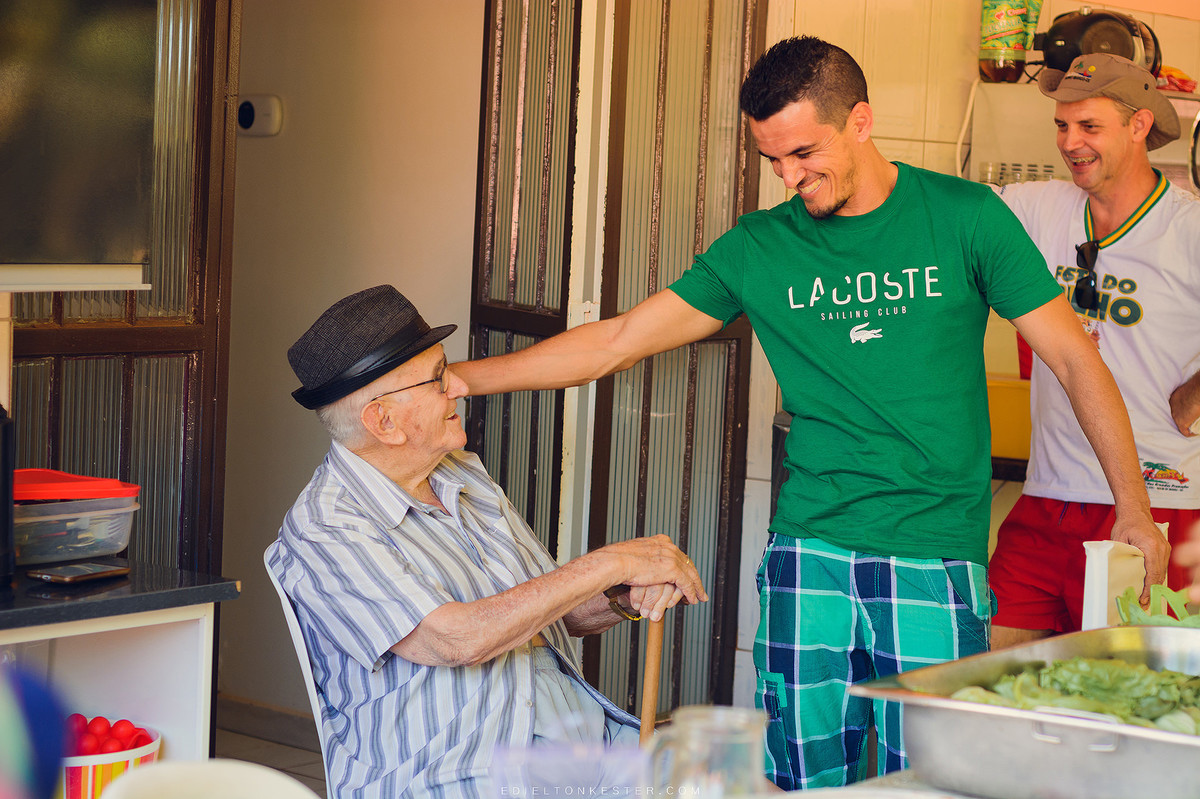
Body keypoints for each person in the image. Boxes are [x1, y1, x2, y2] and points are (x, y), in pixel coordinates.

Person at [450, 36, 1167, 790]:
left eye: (803, 153)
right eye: (774, 161)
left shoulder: (966, 216)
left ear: (859, 121)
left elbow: (1075, 359)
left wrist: (1133, 505)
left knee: (935, 779)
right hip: (809, 550)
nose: (790, 178)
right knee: (801, 775)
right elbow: (619, 341)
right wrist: (460, 379)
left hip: (934, 553)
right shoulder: (761, 247)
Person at [266, 285, 706, 799]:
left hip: (585, 749)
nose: (458, 386)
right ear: (383, 422)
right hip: (466, 777)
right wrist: (609, 563)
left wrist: (622, 596)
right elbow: (456, 641)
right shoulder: (326, 527)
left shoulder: (462, 475)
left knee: (743, 787)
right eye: (438, 378)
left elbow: (550, 612)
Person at [988, 53, 1197, 649]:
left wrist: (1189, 398)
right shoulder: (1037, 208)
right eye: (1062, 126)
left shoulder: (1188, 229)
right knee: (995, 682)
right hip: (1046, 498)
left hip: (1159, 504)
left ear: (1138, 126)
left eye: (1089, 127)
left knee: (1125, 701)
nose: (1070, 142)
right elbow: (942, 215)